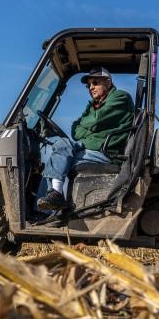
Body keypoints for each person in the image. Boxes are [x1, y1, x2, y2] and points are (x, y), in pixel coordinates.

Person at [36, 67, 134, 211]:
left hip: (106, 152)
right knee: (60, 150)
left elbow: (96, 120)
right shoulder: (93, 105)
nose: (91, 88)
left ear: (107, 82)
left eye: (95, 83)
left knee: (60, 157)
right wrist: (89, 126)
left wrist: (89, 126)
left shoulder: (120, 97)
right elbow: (75, 129)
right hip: (91, 147)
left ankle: (52, 203)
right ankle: (54, 198)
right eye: (88, 85)